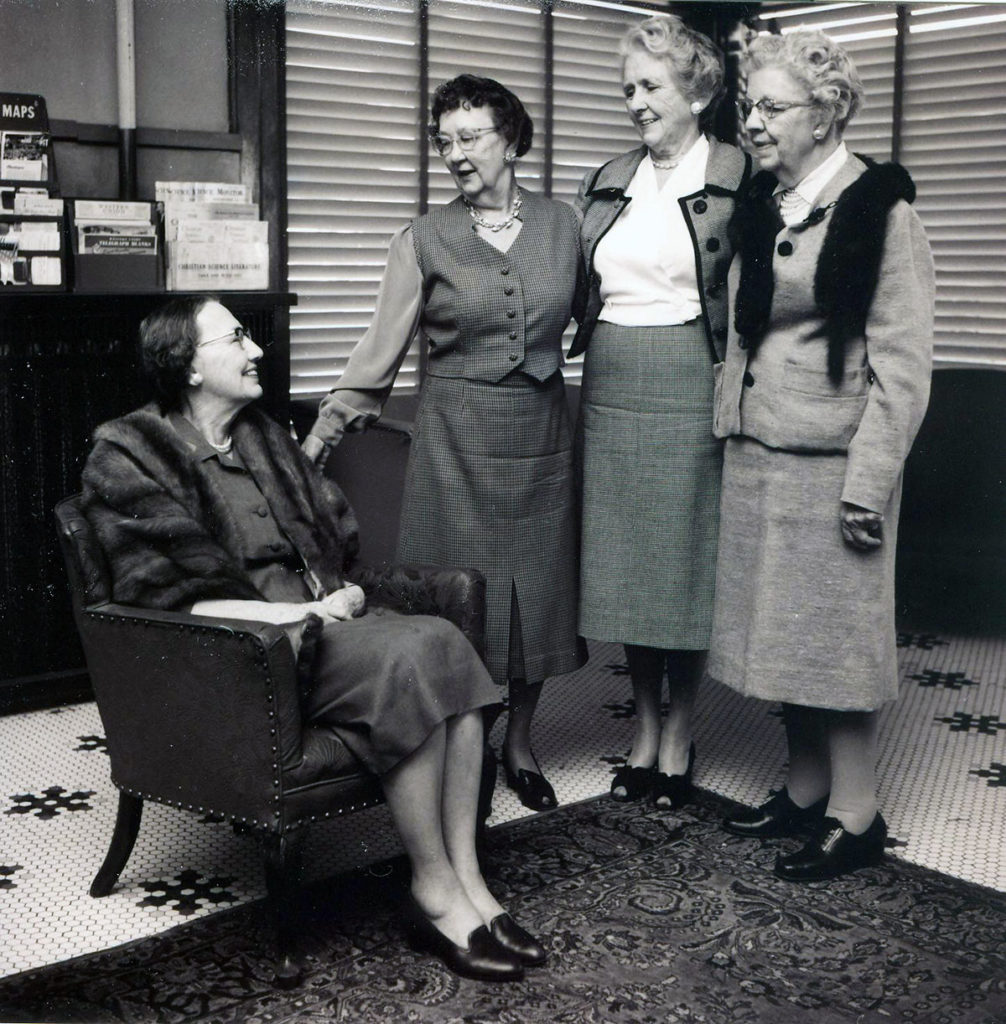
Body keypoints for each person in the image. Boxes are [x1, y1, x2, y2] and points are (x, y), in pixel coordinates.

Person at [80, 296, 547, 981]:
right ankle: (433, 888)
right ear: (186, 365)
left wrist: (340, 592)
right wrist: (296, 620)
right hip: (246, 652)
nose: (256, 350)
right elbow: (157, 595)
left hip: (321, 627)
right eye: (236, 338)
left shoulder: (263, 437)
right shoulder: (127, 454)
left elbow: (334, 544)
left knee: (445, 641)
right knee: (413, 654)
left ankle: (471, 884)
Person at [303, 74, 586, 813]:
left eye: (472, 137)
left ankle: (519, 744)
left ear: (511, 139)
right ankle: (469, 754)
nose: (457, 154)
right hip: (455, 442)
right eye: (445, 142)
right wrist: (320, 437)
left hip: (543, 437)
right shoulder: (422, 239)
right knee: (463, 605)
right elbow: (379, 350)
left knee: (537, 602)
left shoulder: (569, 226)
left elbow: (595, 311)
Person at [709, 29, 934, 881]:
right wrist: (729, 422)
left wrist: (868, 486)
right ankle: (803, 794)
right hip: (763, 451)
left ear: (828, 111)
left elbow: (903, 370)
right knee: (782, 637)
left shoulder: (883, 212)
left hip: (837, 466)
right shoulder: (767, 203)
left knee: (835, 645)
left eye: (772, 107)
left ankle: (856, 811)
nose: (754, 123)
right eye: (748, 106)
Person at [571, 15, 749, 809]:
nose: (635, 102)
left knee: (683, 564)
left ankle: (681, 731)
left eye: (650, 87)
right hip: (612, 376)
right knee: (628, 568)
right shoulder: (609, 175)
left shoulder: (742, 176)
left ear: (698, 91)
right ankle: (643, 726)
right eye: (628, 89)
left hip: (690, 373)